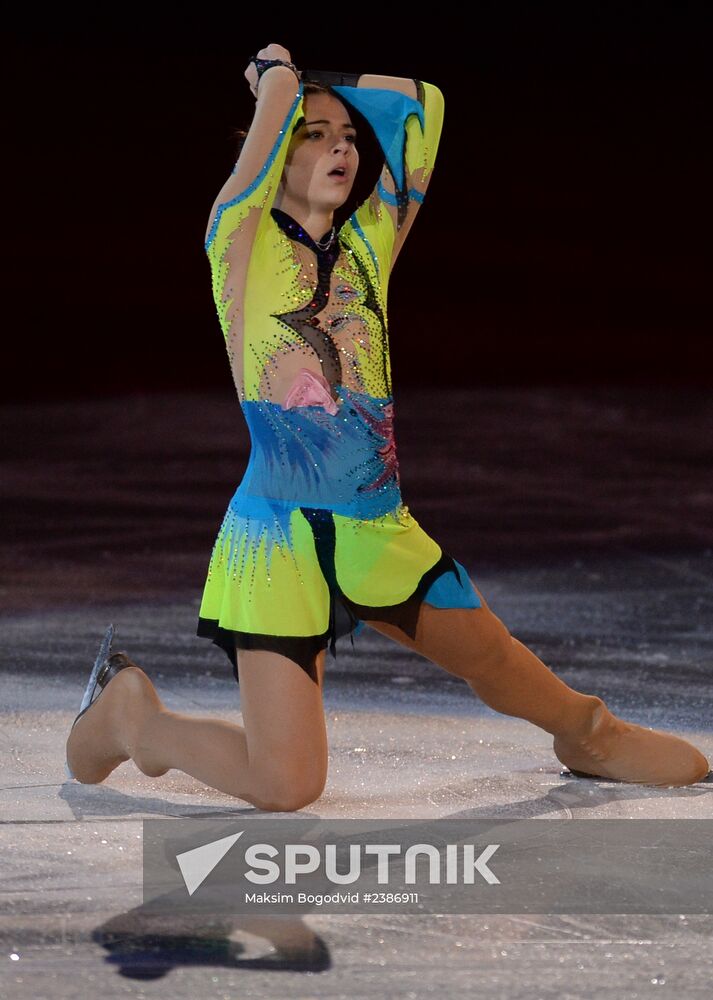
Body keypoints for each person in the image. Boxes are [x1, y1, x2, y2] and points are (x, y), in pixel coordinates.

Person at [65, 43, 709, 808]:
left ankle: (588, 733)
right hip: (278, 540)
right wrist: (276, 80)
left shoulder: (369, 243)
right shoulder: (236, 242)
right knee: (286, 784)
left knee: (491, 658)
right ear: (270, 152)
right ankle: (134, 720)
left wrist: (313, 86)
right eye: (316, 134)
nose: (342, 145)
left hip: (376, 528)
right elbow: (263, 149)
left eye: (347, 135)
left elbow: (420, 106)